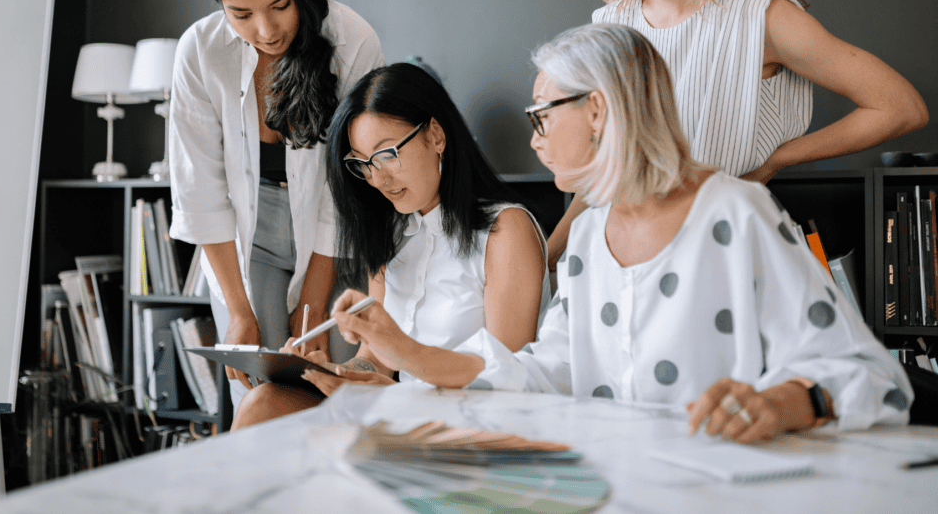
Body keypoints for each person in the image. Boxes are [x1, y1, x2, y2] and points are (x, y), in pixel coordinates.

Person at [329, 24, 912, 444]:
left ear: (598, 111)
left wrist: (784, 403)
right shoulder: (586, 240)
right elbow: (542, 371)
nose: (534, 138)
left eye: (542, 116)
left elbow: (872, 376)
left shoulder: (736, 213)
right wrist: (402, 350)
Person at [544, 0, 928, 268]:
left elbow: (900, 107)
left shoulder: (762, 17)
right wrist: (548, 257)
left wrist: (775, 161)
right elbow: (602, 170)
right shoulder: (608, 27)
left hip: (718, 257)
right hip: (616, 261)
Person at [230, 63, 551, 428]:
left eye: (387, 154)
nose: (378, 178)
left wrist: (397, 390)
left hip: (473, 418)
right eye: (363, 163)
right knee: (264, 402)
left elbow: (505, 374)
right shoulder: (391, 234)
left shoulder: (505, 229)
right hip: (403, 408)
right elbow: (374, 359)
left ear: (435, 135)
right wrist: (332, 372)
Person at [167, 0, 385, 409]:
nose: (265, 30)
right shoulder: (199, 51)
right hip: (251, 236)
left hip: (340, 233)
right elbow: (198, 188)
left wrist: (314, 293)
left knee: (335, 387)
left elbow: (347, 183)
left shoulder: (353, 41)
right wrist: (238, 308)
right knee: (262, 388)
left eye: (280, 6)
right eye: (240, 15)